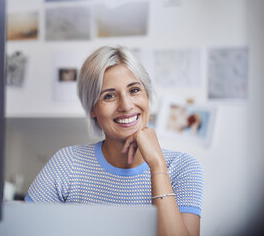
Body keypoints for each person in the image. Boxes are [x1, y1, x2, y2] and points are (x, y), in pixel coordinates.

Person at [25, 46, 204, 236]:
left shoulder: (184, 167)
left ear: (147, 97)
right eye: (109, 95)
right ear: (92, 109)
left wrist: (158, 166)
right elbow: (23, 228)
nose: (126, 105)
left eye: (134, 90)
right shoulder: (67, 163)